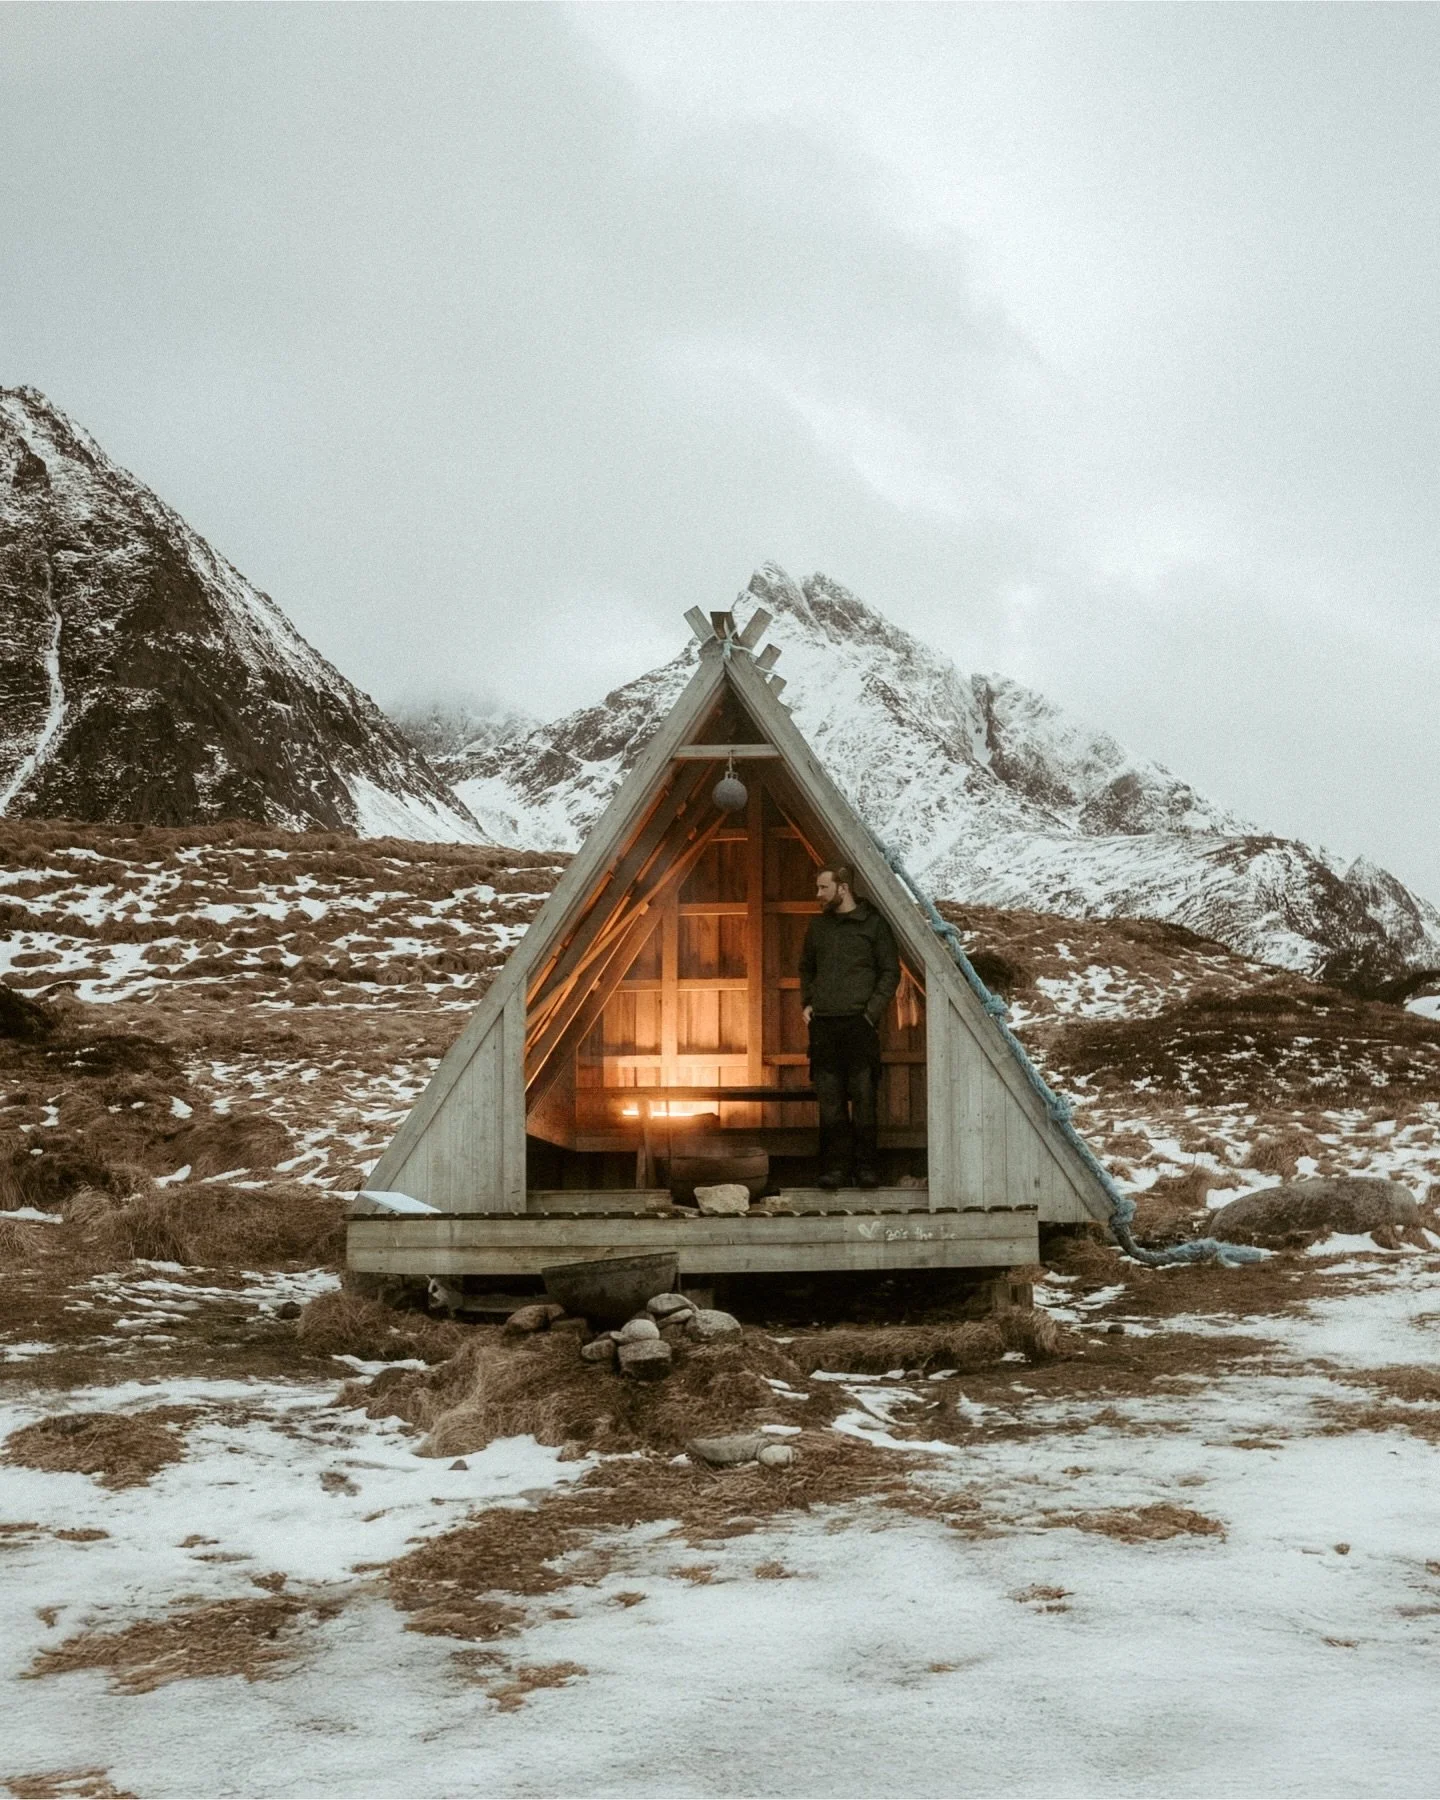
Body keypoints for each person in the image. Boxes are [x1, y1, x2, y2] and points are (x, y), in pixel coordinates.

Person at [799, 863, 900, 1190]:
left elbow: (890, 972)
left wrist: (870, 1014)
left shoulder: (873, 926)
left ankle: (866, 1170)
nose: (818, 894)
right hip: (825, 1027)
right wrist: (807, 1004)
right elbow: (806, 969)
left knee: (864, 1100)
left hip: (859, 1025)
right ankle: (835, 1171)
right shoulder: (818, 928)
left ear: (842, 888)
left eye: (823, 888)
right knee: (830, 1104)